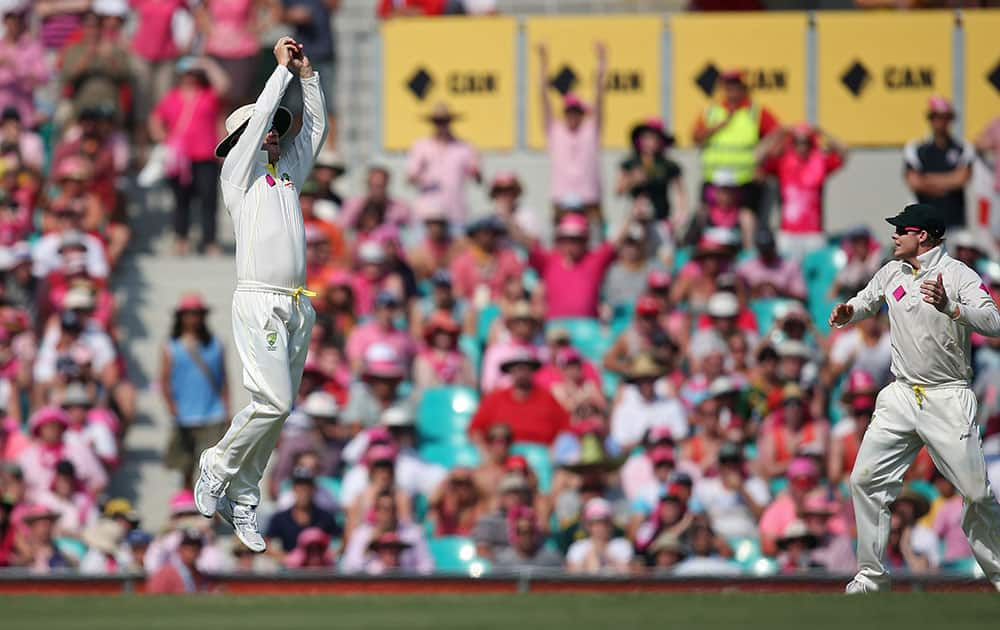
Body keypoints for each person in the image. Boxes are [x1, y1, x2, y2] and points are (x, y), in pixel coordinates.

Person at [194, 37, 328, 553]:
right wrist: (280, 74)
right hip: (258, 298)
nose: (272, 136)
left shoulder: (287, 176)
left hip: (297, 301)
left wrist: (309, 77)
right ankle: (219, 465)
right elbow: (261, 119)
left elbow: (315, 131)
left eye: (274, 131)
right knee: (271, 401)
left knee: (281, 406)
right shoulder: (236, 177)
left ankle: (243, 492)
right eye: (263, 131)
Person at [829, 202, 1000, 593]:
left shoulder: (959, 275)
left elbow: (994, 321)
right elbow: (867, 300)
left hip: (947, 395)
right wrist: (848, 312)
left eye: (900, 230)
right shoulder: (892, 271)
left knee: (976, 494)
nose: (893, 236)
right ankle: (871, 578)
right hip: (902, 393)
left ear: (921, 235)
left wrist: (949, 306)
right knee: (864, 480)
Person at [150, 56, 229, 256]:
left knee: (208, 200)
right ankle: (181, 238)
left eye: (194, 74)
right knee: (181, 200)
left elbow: (224, 85)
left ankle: (209, 240)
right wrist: (163, 139)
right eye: (187, 73)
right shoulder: (172, 97)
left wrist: (206, 63)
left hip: (206, 155)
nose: (190, 77)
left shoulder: (209, 95)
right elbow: (156, 119)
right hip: (180, 158)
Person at [161, 293, 229, 488]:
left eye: (197, 314)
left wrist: (226, 406)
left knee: (212, 468)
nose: (193, 318)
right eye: (189, 314)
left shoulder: (216, 344)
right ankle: (186, 503)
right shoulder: (171, 346)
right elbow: (164, 380)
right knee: (185, 467)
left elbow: (223, 378)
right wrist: (171, 405)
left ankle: (213, 511)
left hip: (212, 413)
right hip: (184, 415)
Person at [536, 42, 606, 229]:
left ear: (583, 114)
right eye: (569, 112)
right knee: (561, 245)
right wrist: (543, 64)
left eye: (577, 112)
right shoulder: (555, 130)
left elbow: (600, 98)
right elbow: (542, 97)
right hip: (561, 200)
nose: (573, 116)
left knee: (593, 244)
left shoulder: (591, 130)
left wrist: (602, 63)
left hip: (589, 199)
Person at [692, 69, 779, 215]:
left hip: (745, 179)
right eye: (728, 87)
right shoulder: (712, 111)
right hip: (714, 178)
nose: (732, 92)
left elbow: (778, 136)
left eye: (736, 87)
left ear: (743, 89)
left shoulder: (755, 111)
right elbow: (696, 137)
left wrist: (765, 166)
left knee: (747, 219)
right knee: (706, 218)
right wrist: (718, 126)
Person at [756, 123, 846, 259]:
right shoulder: (783, 162)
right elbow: (758, 157)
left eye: (806, 142)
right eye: (797, 142)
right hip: (787, 234)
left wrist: (821, 132)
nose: (802, 146)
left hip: (814, 233)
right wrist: (779, 133)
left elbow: (844, 152)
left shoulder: (820, 162)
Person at [468, 349, 570, 446]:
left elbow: (565, 428)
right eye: (517, 368)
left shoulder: (547, 399)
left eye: (525, 368)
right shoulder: (494, 399)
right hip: (505, 457)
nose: (521, 373)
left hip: (541, 456)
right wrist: (486, 451)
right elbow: (475, 430)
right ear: (510, 372)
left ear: (532, 371)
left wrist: (556, 448)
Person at [903, 96, 975, 229]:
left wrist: (928, 179)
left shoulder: (963, 147)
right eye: (936, 117)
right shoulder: (916, 148)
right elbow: (915, 182)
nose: (940, 122)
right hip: (923, 224)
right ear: (930, 119)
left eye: (945, 117)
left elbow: (961, 179)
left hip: (955, 221)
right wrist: (948, 182)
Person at [406, 102, 480, 226]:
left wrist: (475, 173)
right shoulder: (420, 146)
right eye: (438, 122)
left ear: (450, 122)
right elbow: (410, 178)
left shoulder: (464, 147)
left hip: (455, 212)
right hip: (428, 214)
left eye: (444, 121)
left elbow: (477, 177)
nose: (441, 125)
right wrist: (423, 177)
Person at [617, 117, 686, 229]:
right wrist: (633, 180)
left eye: (654, 138)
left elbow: (680, 192)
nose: (650, 142)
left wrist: (680, 213)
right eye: (646, 138)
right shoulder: (630, 163)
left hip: (661, 218)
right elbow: (619, 190)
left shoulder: (668, 164)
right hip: (635, 219)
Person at [0, 3, 51, 130]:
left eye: (19, 19)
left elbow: (42, 77)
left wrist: (16, 67)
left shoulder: (33, 47)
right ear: (5, 21)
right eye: (12, 19)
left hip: (23, 117)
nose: (15, 23)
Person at [565, 497, 632, 575]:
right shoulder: (577, 547)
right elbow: (571, 573)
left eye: (604, 522)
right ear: (587, 525)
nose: (600, 527)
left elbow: (627, 572)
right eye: (595, 523)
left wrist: (606, 556)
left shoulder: (622, 545)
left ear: (610, 524)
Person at [146, 528, 213, 593]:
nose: (192, 552)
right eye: (187, 548)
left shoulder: (200, 576)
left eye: (196, 548)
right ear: (179, 549)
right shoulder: (165, 574)